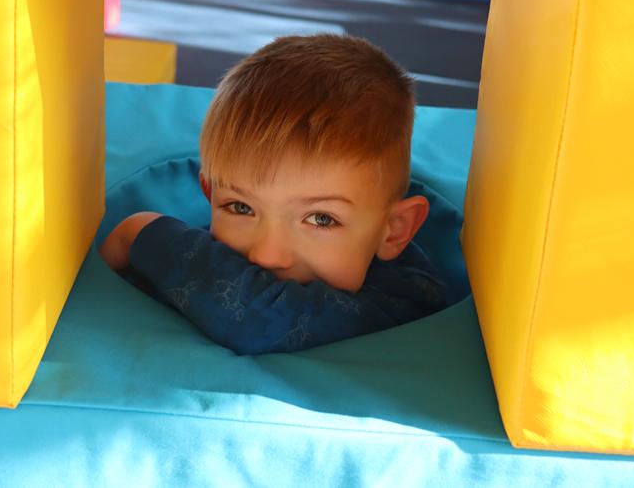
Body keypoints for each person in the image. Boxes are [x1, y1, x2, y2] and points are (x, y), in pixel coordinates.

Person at [100, 34, 447, 355]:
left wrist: (140, 233)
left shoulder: (404, 299)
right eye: (241, 207)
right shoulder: (242, 252)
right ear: (210, 193)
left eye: (321, 219)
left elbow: (256, 320)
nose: (267, 256)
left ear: (394, 230)